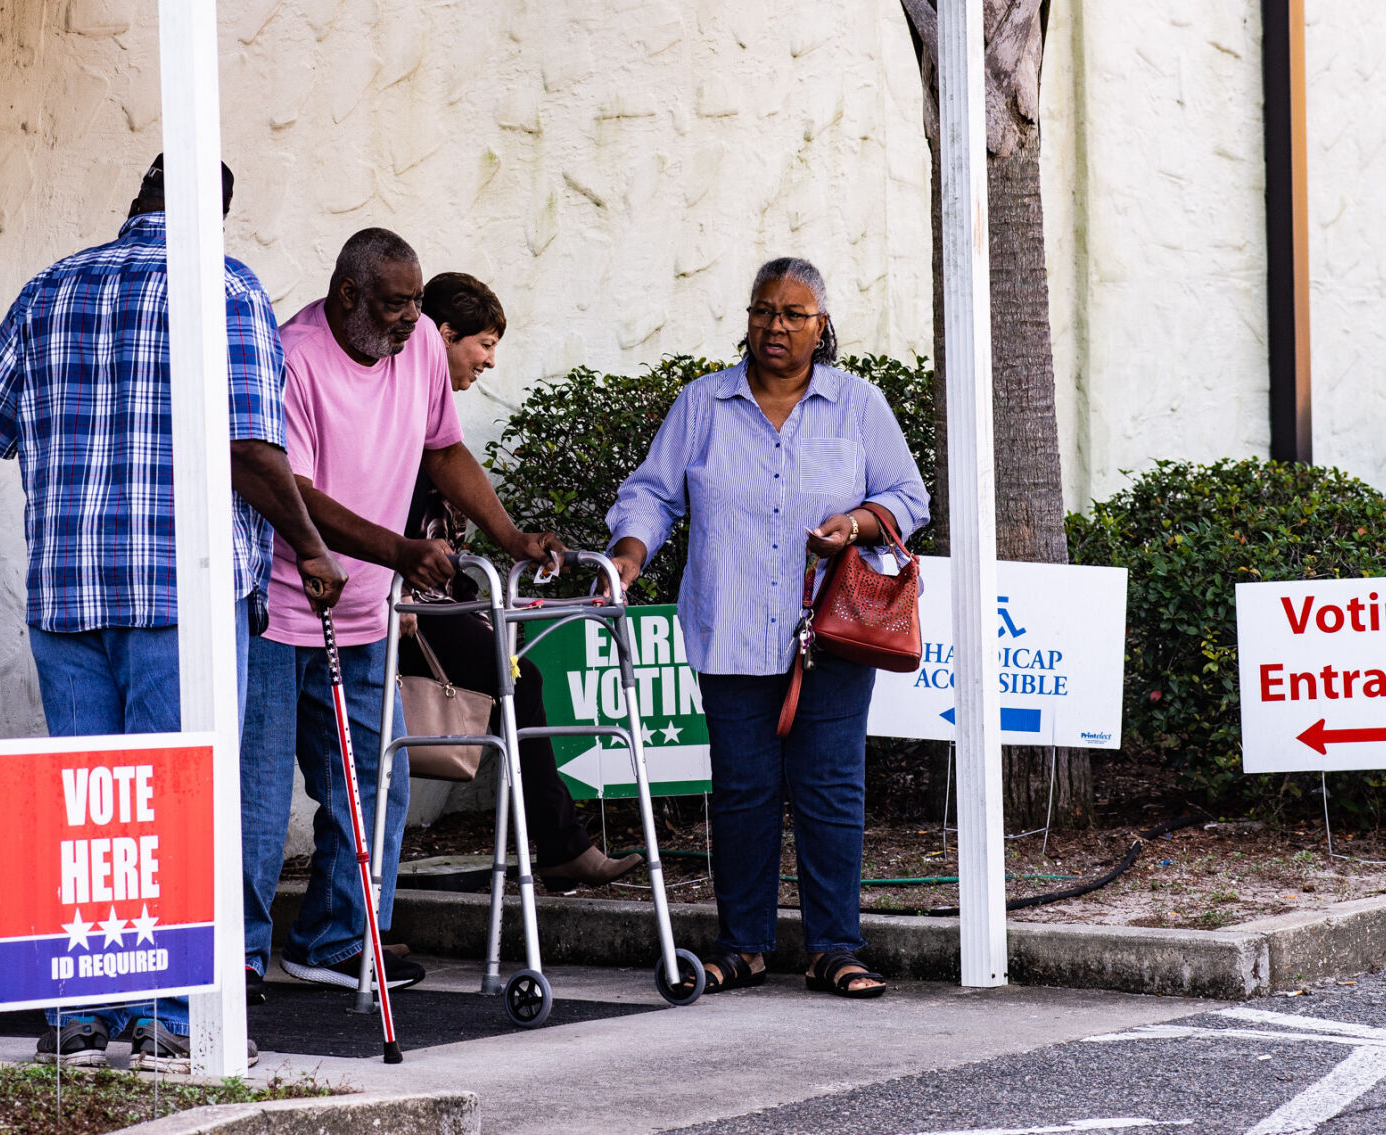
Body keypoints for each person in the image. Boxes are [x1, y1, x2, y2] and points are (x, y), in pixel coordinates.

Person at [0, 155, 346, 1070]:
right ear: (214, 214)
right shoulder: (227, 288)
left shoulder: (50, 288)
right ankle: (171, 1012)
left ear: (135, 197)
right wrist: (310, 543)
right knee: (173, 795)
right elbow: (253, 450)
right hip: (178, 588)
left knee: (89, 800)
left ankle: (80, 1011)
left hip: (68, 590)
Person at [240, 233, 566, 997]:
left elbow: (444, 450)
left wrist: (511, 534)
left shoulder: (418, 345)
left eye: (418, 301)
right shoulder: (296, 355)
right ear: (348, 295)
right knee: (257, 800)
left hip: (365, 614)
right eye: (396, 302)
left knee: (373, 784)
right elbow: (299, 494)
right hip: (283, 609)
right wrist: (396, 549)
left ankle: (334, 940)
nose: (413, 318)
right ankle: (241, 958)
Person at [606, 257, 928, 999]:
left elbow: (908, 495)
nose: (774, 326)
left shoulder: (857, 405)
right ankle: (743, 945)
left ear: (822, 327)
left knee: (831, 790)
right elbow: (653, 494)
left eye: (792, 314)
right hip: (731, 628)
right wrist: (628, 554)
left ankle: (834, 948)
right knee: (743, 792)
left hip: (833, 634)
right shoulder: (702, 405)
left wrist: (856, 523)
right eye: (762, 310)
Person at [397, 272, 642, 886]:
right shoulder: (400, 393)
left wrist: (513, 540)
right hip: (404, 602)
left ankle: (556, 845)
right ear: (444, 335)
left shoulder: (428, 403)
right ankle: (560, 847)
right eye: (483, 343)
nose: (489, 361)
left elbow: (449, 460)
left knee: (515, 680)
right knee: (516, 680)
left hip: (436, 596)